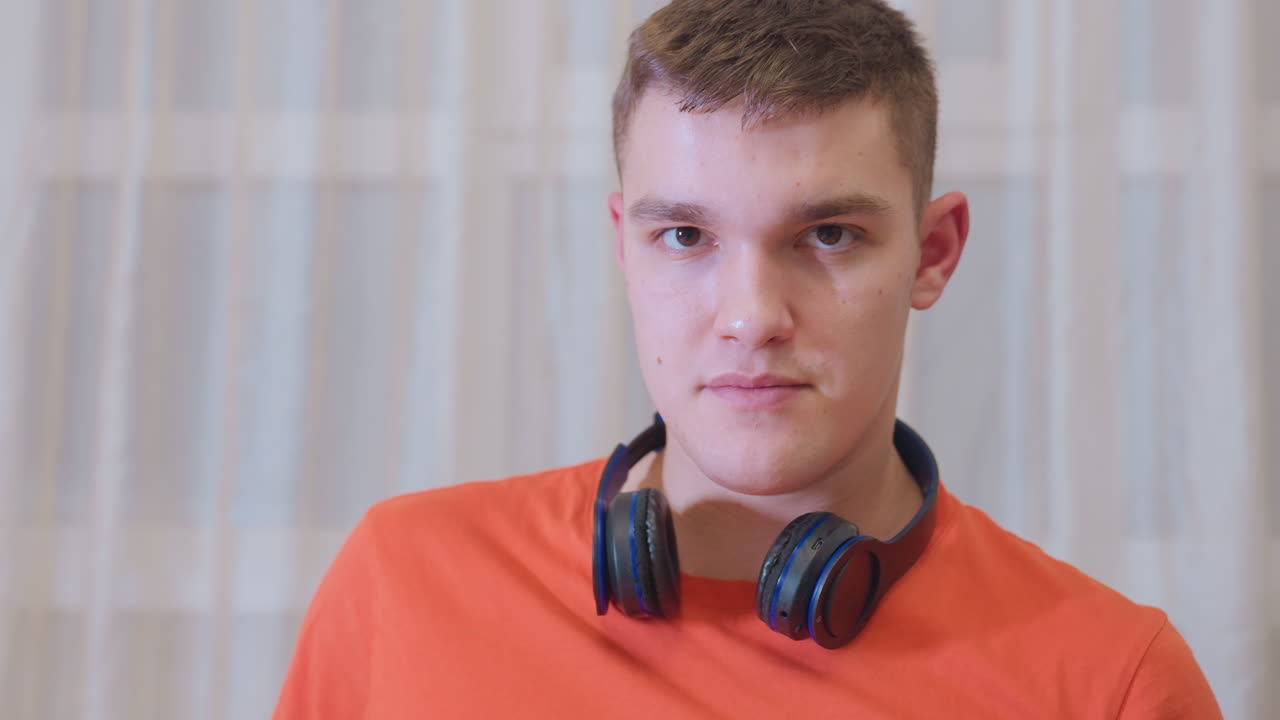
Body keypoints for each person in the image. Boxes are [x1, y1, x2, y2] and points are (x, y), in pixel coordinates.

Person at [274, 1, 1222, 716]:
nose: (753, 317)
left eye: (831, 235)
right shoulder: (403, 584)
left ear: (933, 254)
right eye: (685, 235)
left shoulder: (1110, 685)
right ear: (623, 245)